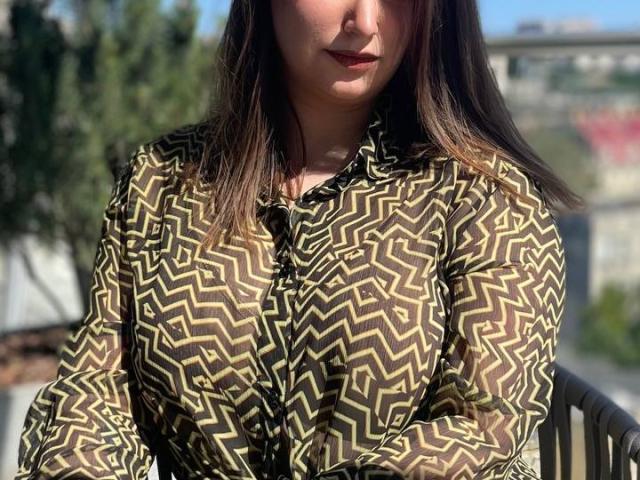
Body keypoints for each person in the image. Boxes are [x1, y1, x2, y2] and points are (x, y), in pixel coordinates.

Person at [15, 1, 582, 479]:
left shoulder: (486, 198)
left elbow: (483, 425)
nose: (365, 20)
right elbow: (96, 389)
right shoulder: (161, 180)